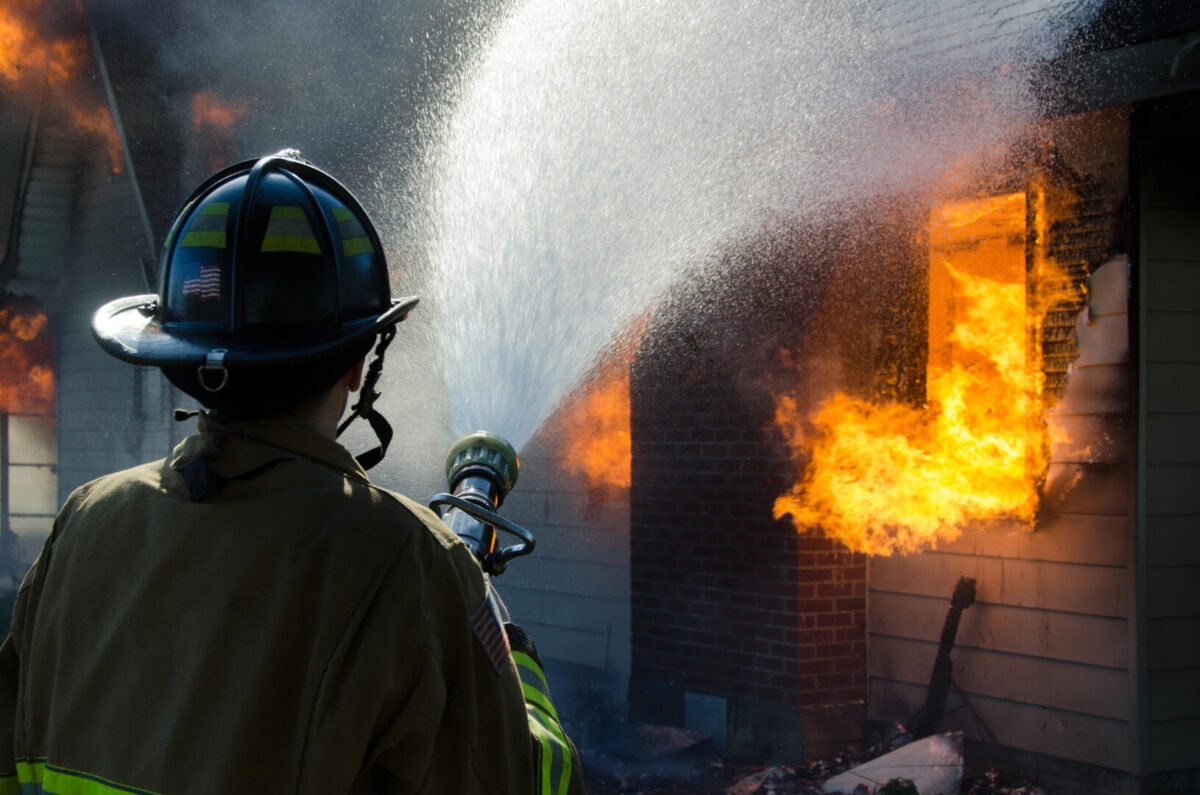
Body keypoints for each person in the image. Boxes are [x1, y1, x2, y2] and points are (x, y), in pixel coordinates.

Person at [0, 153, 584, 794]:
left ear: (179, 357)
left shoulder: (85, 521)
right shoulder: (412, 564)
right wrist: (514, 660)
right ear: (358, 364)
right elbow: (524, 782)